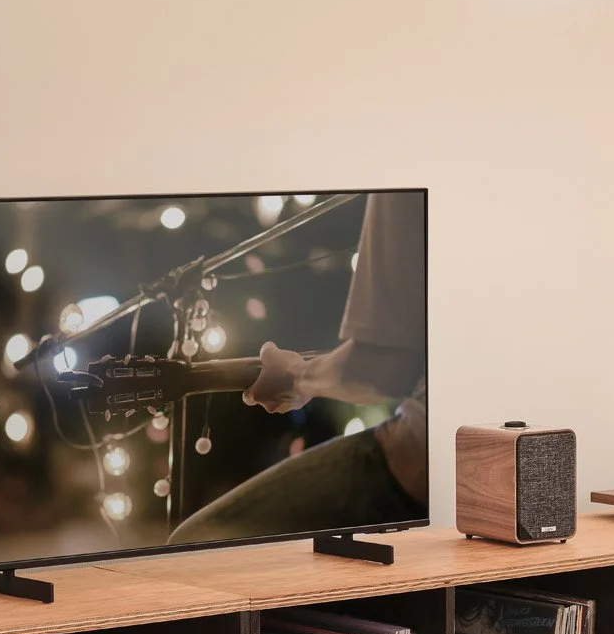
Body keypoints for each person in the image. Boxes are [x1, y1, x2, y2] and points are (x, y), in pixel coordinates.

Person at [168, 193, 427, 544]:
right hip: (501, 470)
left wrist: (299, 378)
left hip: (421, 465)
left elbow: (384, 367)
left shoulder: (404, 175)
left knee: (196, 544)